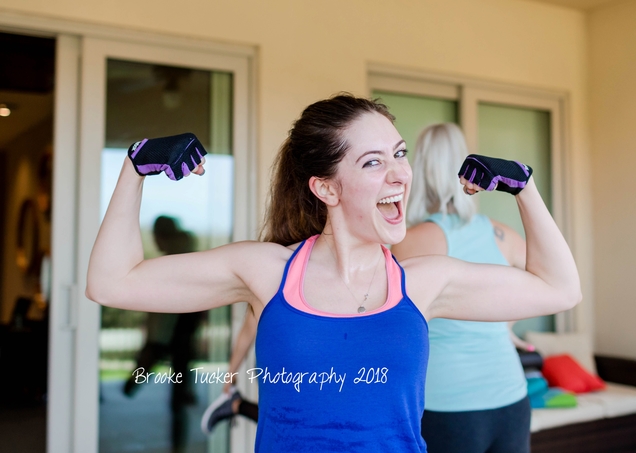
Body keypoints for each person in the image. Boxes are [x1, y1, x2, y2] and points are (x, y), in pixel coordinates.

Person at [86, 94, 581, 452]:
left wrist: (525, 190)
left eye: (400, 154)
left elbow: (559, 288)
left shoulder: (424, 282)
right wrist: (135, 168)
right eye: (373, 162)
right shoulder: (268, 272)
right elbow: (112, 282)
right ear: (326, 189)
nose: (400, 174)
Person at [391, 123, 535, 453]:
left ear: (422, 168)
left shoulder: (409, 242)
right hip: (511, 398)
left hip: (449, 405)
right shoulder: (501, 234)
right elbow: (546, 280)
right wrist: (506, 325)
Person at [200, 307, 259, 434]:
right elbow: (249, 328)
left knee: (286, 424)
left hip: (305, 368)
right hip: (282, 369)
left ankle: (236, 405)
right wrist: (230, 374)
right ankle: (236, 404)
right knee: (284, 423)